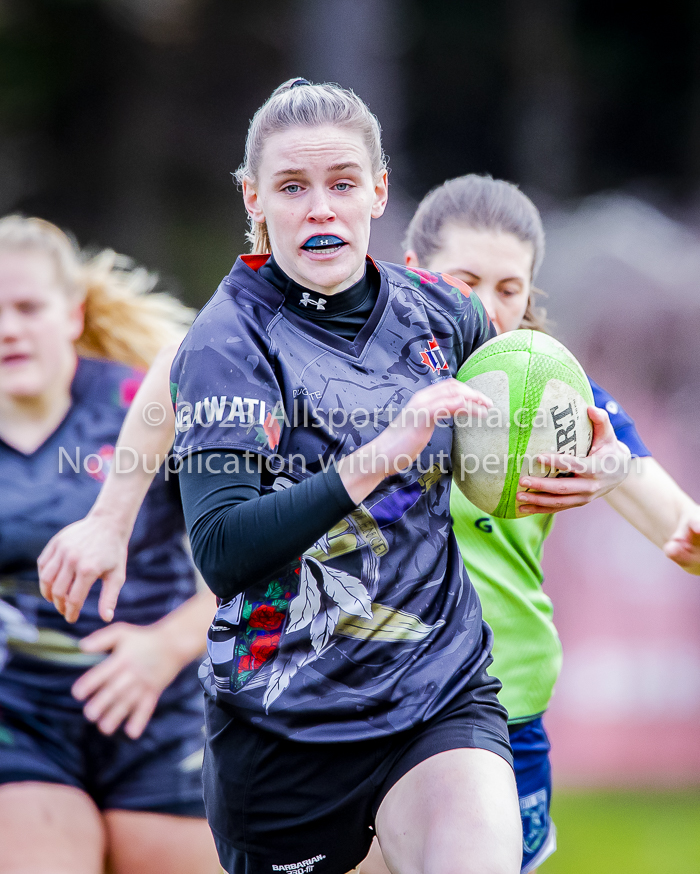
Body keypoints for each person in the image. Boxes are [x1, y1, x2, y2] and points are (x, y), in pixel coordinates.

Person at [37, 79, 632, 874]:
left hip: (438, 693)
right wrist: (383, 451)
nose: (320, 208)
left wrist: (591, 466)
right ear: (254, 199)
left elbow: (514, 433)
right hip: (288, 735)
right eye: (292, 187)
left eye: (342, 183)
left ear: (378, 190)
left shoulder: (440, 315)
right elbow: (223, 550)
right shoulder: (230, 343)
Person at [354, 173, 700, 874]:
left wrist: (630, 483)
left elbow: (679, 529)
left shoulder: (565, 398)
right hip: (373, 712)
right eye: (466, 279)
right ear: (416, 276)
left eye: (510, 288)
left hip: (507, 717)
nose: (488, 305)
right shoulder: (353, 386)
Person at [0, 215, 221, 874]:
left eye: (28, 307)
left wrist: (165, 647)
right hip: (20, 718)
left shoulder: (145, 405)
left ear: (73, 313)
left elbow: (254, 560)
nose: (9, 327)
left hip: (162, 708)